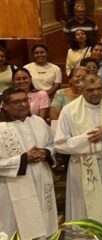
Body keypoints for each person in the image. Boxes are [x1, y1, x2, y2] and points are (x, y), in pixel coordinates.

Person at [54, 73, 102, 224]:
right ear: (81, 90)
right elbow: (60, 144)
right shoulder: (69, 110)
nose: (96, 93)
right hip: (82, 168)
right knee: (85, 207)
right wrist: (89, 138)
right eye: (90, 90)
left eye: (99, 89)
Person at [0, 87, 58, 239]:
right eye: (16, 102)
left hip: (41, 179)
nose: (23, 105)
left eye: (25, 100)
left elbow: (53, 144)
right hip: (11, 187)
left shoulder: (38, 121)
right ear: (4, 105)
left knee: (43, 223)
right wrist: (24, 159)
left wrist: (45, 152)